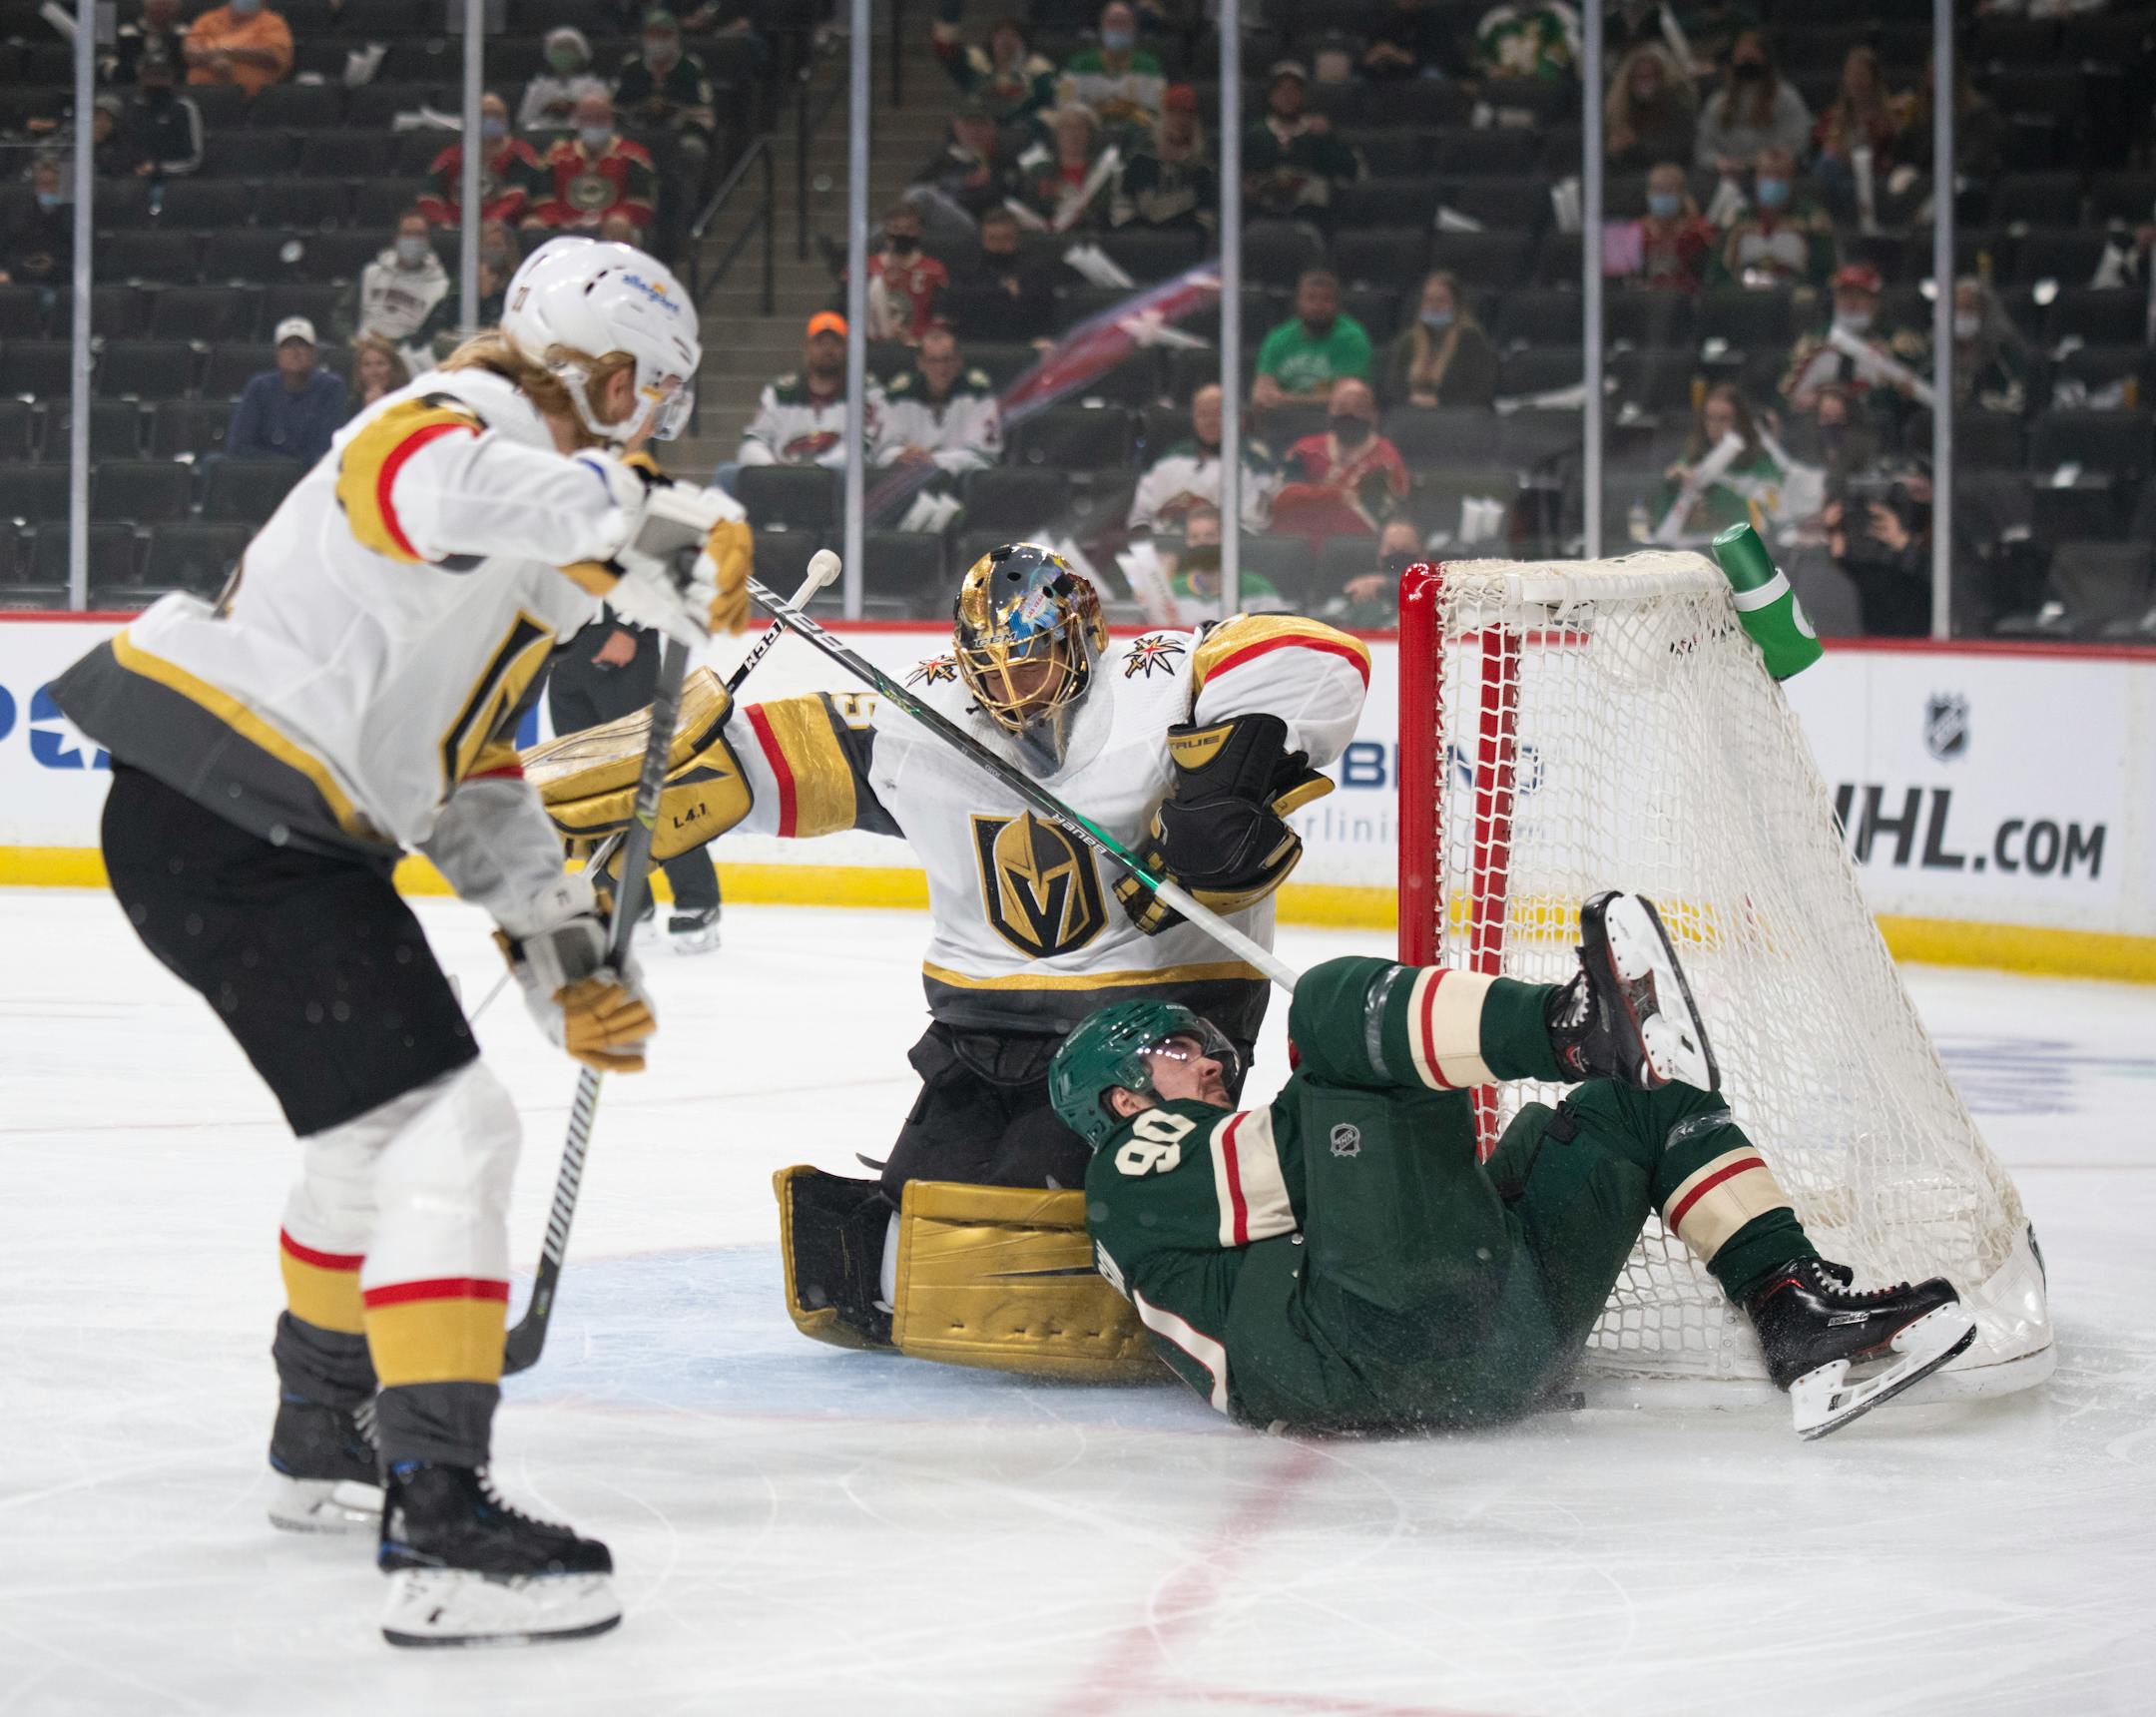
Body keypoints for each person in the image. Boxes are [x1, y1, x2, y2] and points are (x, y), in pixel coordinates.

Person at [48, 236, 753, 1646]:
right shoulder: (450, 424)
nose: (651, 430)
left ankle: (325, 1430)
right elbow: (413, 486)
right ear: (605, 379)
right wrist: (642, 516)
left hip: (231, 824)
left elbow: (470, 776)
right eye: (647, 402)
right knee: (452, 1131)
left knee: (369, 1140)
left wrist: (565, 962)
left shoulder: (524, 552)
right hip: (238, 817)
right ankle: (441, 1521)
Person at [523, 544, 1369, 1366]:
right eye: (988, 669)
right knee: (921, 1222)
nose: (1008, 692)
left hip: (1152, 1022)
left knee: (1047, 1207)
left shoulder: (1163, 680)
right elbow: (765, 758)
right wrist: (653, 770)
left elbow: (1316, 653)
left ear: (1078, 641)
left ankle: (1212, 1264)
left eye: (1029, 664)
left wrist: (1224, 788)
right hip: (983, 1024)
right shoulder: (921, 715)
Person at [1051, 894, 1975, 1438]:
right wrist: (1393, 1066)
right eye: (1177, 1051)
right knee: (1332, 1007)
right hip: (1368, 1351)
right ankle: (1573, 1028)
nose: (1210, 1059)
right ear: (1122, 1097)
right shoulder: (1125, 1174)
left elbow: (1326, 1175)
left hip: (1493, 1344)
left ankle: (1791, 1309)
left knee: (1642, 1098)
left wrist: (1409, 1084)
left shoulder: (1168, 1168)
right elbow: (1293, 1159)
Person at [546, 618, 725, 952]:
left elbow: (647, 566)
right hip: (564, 651)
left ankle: (698, 902)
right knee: (588, 787)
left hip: (623, 646)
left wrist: (630, 629)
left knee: (651, 779)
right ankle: (628, 904)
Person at [732, 310, 883, 476]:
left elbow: (865, 447)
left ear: (846, 348)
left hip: (838, 482)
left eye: (835, 343)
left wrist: (814, 469)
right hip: (783, 480)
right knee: (727, 474)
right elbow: (753, 442)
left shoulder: (864, 390)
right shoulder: (780, 391)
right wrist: (772, 469)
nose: (828, 350)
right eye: (820, 343)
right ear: (807, 347)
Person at [1269, 377, 1408, 549]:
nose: (1350, 416)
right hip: (1298, 548)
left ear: (1373, 415)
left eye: (1359, 409)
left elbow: (1385, 516)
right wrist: (1338, 495)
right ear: (1331, 411)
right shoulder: (1305, 450)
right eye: (1342, 408)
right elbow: (1283, 497)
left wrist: (1312, 496)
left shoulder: (1385, 458)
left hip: (1355, 550)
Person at [1648, 381, 1794, 543]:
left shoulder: (1761, 464)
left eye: (1723, 419)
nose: (1714, 426)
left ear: (1740, 422)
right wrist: (1671, 487)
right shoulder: (1691, 459)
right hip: (1690, 549)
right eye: (1709, 418)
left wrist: (1717, 505)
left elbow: (1771, 515)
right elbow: (1659, 519)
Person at [1127, 380, 1277, 535]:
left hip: (1225, 551)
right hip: (1167, 549)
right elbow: (1140, 517)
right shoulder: (1173, 457)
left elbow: (1258, 522)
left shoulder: (1253, 458)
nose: (1210, 422)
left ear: (1240, 419)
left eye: (1218, 414)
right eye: (1203, 414)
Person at [1781, 263, 1927, 415]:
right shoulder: (1812, 342)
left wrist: (1889, 362)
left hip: (1880, 430)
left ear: (1876, 302)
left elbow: (1918, 395)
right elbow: (1782, 398)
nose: (1850, 303)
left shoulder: (1899, 343)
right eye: (1843, 295)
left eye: (1859, 295)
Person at [613, 9, 718, 197]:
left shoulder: (691, 68)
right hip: (637, 131)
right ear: (644, 37)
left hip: (679, 133)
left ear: (676, 37)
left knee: (694, 149)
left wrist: (675, 112)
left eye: (665, 34)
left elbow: (704, 112)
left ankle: (687, 206)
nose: (659, 40)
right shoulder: (631, 67)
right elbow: (615, 107)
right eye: (653, 34)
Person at [872, 325, 1002, 477]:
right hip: (907, 481)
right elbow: (881, 451)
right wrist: (899, 455)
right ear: (920, 363)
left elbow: (985, 456)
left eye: (947, 360)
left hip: (962, 485)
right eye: (933, 361)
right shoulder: (897, 394)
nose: (941, 369)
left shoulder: (979, 392)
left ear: (958, 362)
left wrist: (935, 460)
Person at [1825, 458, 1932, 637]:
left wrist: (1904, 543)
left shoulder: (1945, 546)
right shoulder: (1844, 571)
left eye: (1917, 491)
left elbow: (1955, 593)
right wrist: (1832, 542)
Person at [529, 93, 658, 241]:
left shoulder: (634, 155)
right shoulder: (555, 157)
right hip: (565, 226)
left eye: (600, 119)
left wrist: (604, 219)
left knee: (618, 224)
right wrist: (559, 221)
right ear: (577, 121)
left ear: (610, 120)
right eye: (588, 119)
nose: (594, 124)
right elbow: (543, 199)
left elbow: (642, 203)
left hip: (615, 226)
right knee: (531, 225)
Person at [1242, 61, 1361, 220]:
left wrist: (1328, 137)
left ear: (1303, 95)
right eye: (1281, 90)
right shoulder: (1255, 133)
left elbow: (1347, 170)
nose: (1287, 96)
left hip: (1309, 215)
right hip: (1261, 214)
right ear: (1271, 95)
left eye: (1294, 90)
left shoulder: (1318, 132)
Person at [1707, 146, 1835, 291]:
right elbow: (1718, 273)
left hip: (1793, 298)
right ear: (1756, 179)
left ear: (1791, 180)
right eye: (1767, 174)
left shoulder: (1813, 219)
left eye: (1780, 175)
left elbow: (1826, 273)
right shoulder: (1738, 218)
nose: (1773, 181)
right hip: (1744, 299)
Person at [226, 316, 348, 465]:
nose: (295, 352)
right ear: (277, 354)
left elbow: (328, 446)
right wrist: (284, 465)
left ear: (313, 352)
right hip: (266, 475)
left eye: (302, 345)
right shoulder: (259, 387)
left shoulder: (331, 387)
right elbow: (238, 445)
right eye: (287, 346)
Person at [1252, 270, 1373, 410]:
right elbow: (1260, 394)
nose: (1318, 306)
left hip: (1334, 422)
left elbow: (1348, 399)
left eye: (1326, 299)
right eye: (1311, 298)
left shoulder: (1352, 338)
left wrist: (1284, 399)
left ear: (1338, 305)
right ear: (1298, 302)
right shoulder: (1278, 338)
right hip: (1284, 422)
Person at [1693, 29, 1811, 174]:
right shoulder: (1717, 102)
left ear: (1766, 60)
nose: (1746, 64)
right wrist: (1718, 162)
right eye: (1742, 59)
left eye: (1752, 59)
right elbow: (1704, 149)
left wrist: (1771, 160)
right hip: (1728, 175)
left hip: (1773, 173)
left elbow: (1798, 143)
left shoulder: (1786, 98)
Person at [416, 93, 542, 229]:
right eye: (484, 115)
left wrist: (487, 226)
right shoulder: (451, 156)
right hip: (458, 229)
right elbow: (429, 196)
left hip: (504, 230)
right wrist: (443, 222)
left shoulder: (520, 153)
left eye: (496, 114)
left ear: (506, 119)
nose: (490, 119)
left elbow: (517, 197)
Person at [1378, 270, 1499, 409]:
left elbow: (1481, 391)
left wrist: (1440, 401)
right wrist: (1412, 400)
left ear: (1457, 305)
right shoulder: (1408, 341)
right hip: (1412, 414)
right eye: (1428, 300)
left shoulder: (1472, 340)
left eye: (1441, 301)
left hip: (1458, 417)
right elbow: (1392, 386)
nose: (1434, 307)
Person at [940, 205, 1060, 344]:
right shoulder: (967, 267)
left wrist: (985, 296)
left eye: (1005, 239)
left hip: (1022, 342)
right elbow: (957, 305)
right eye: (992, 239)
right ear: (983, 239)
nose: (999, 245)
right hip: (974, 341)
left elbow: (1040, 309)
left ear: (1017, 239)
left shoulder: (1035, 268)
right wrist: (1008, 293)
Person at [1110, 82, 1217, 233]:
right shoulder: (1139, 158)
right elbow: (1122, 208)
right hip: (1138, 243)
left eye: (1186, 113)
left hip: (1185, 244)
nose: (1180, 119)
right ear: (1163, 115)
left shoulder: (1203, 167)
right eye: (1173, 111)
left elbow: (1207, 218)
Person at [1154, 504, 1288, 621]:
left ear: (1226, 538)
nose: (1202, 543)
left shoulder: (1259, 588)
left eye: (1209, 536)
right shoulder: (1173, 590)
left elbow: (1278, 633)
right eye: (1194, 537)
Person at [408, 224, 520, 363]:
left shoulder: (515, 298)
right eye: (485, 246)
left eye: (496, 246)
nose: (490, 252)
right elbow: (424, 340)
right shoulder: (452, 301)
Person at [348, 210, 450, 362]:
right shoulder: (371, 273)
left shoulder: (441, 287)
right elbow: (342, 314)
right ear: (396, 239)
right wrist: (350, 339)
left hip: (405, 357)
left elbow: (429, 334)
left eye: (419, 234)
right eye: (407, 234)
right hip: (361, 351)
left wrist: (387, 345)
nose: (413, 240)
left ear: (428, 240)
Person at [930, 6, 1057, 129]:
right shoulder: (976, 64)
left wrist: (1030, 124)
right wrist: (952, 7)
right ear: (992, 41)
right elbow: (945, 46)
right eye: (1000, 36)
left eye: (1013, 36)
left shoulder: (1038, 70)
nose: (1006, 41)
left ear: (1023, 43)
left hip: (1023, 136)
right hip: (977, 131)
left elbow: (1053, 105)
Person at [1057, 2, 1167, 138]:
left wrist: (1132, 115)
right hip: (1088, 139)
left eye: (1123, 23)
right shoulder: (1079, 64)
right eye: (1113, 23)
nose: (1118, 29)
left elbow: (1158, 113)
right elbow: (1065, 108)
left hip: (1137, 140)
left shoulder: (1149, 66)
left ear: (1133, 29)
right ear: (1102, 27)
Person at [1811, 44, 1896, 219]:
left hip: (1872, 182)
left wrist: (1847, 157)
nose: (1854, 80)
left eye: (1860, 75)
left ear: (1873, 79)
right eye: (1850, 74)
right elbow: (1823, 147)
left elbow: (1883, 160)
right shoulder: (1834, 116)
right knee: (1826, 165)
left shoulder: (1887, 119)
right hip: (1838, 181)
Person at [1010, 103, 1119, 235]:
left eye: (1080, 127)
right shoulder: (1038, 171)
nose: (1073, 133)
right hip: (1045, 242)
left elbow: (1110, 213)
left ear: (1090, 133)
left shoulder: (1106, 171)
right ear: (1057, 133)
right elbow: (1028, 208)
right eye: (1066, 127)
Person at [1611, 161, 1717, 294]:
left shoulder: (1699, 231)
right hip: (1644, 301)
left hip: (1688, 300)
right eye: (1657, 189)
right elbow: (1622, 279)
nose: (1662, 195)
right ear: (1649, 193)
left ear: (1681, 194)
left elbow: (1709, 275)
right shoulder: (1634, 231)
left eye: (1668, 190)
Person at [913, 100, 1017, 224]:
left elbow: (1015, 192)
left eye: (981, 124)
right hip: (952, 224)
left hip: (996, 224)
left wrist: (994, 179)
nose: (975, 131)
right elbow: (920, 187)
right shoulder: (944, 157)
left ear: (992, 127)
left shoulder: (1005, 157)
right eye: (968, 124)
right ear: (956, 127)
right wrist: (963, 183)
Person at [863, 203, 948, 344]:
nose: (902, 234)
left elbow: (940, 317)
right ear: (885, 230)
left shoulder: (934, 270)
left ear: (919, 230)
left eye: (909, 228)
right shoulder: (866, 268)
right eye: (896, 228)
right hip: (873, 346)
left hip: (918, 347)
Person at [1606, 44, 1697, 173]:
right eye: (1640, 77)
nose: (1646, 83)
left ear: (1661, 78)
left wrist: (1636, 144)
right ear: (1629, 81)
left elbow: (1678, 152)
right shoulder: (1621, 112)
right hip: (1629, 181)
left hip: (1669, 178)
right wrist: (1614, 151)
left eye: (1651, 76)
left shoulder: (1676, 108)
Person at [1944, 275, 2027, 415]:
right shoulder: (1934, 355)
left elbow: (2016, 404)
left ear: (1985, 312)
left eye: (1969, 308)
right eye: (1956, 310)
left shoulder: (2005, 356)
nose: (1962, 316)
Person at [116, 48, 203, 179]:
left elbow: (193, 159)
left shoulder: (183, 108)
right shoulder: (131, 108)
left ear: (171, 77)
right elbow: (123, 148)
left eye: (162, 75)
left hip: (174, 182)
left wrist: (159, 168)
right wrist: (134, 168)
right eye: (151, 75)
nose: (156, 80)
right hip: (132, 180)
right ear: (141, 77)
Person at [1324, 516, 1421, 629]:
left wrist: (1386, 583)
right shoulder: (1360, 592)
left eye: (1407, 549)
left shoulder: (1435, 588)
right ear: (1379, 554)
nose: (1398, 555)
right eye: (1392, 549)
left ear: (1423, 554)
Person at [183, 0, 292, 96]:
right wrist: (214, 62)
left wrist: (226, 52)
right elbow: (190, 51)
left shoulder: (273, 24)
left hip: (250, 99)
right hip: (199, 95)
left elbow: (272, 55)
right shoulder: (207, 20)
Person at [518, 26, 609, 135]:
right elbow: (525, 119)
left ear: (581, 53)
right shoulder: (538, 87)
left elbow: (602, 120)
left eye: (569, 48)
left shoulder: (595, 86)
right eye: (558, 48)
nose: (563, 53)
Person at [0, 155, 71, 286]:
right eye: (42, 184)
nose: (47, 189)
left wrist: (54, 263)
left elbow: (75, 252)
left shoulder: (73, 215)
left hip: (62, 280)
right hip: (20, 278)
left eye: (52, 184)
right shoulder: (18, 214)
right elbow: (7, 247)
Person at [1472, 1, 1581, 81]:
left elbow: (1566, 58)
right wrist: (1492, 70)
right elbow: (1482, 60)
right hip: (1504, 96)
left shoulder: (1563, 16)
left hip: (1550, 97)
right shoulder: (1495, 19)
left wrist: (1531, 73)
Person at [1362, 0, 1451, 81]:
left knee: (1432, 76)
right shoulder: (1382, 16)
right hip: (1384, 72)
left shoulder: (1432, 20)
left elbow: (1434, 57)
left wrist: (1395, 54)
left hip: (1420, 71)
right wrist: (1376, 56)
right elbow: (1370, 54)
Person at [110, 0, 190, 85]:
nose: (162, 15)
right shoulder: (127, 34)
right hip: (131, 88)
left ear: (175, 12)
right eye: (158, 10)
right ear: (147, 10)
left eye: (167, 10)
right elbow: (109, 66)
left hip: (175, 88)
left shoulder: (184, 35)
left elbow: (188, 69)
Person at [347, 332, 411, 415]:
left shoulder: (408, 401)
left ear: (394, 367)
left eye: (380, 364)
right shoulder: (350, 405)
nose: (374, 372)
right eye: (367, 364)